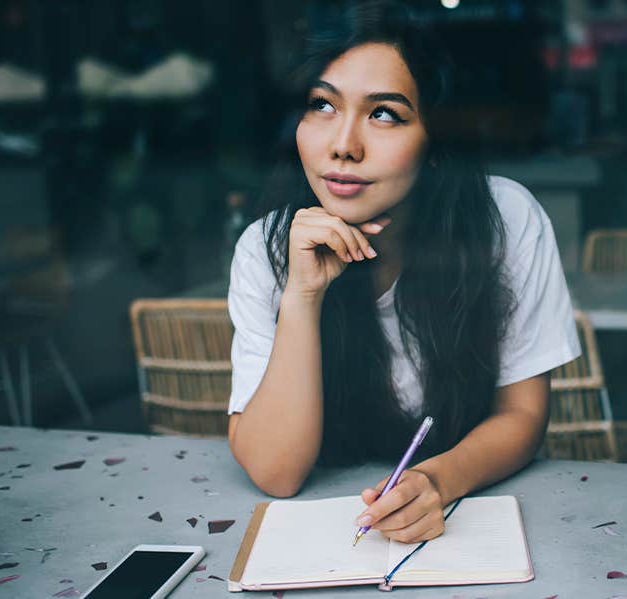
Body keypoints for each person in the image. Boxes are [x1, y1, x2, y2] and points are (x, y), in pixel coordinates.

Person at [225, 1, 580, 544]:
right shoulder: (267, 248)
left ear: (435, 145)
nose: (343, 145)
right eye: (322, 105)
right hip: (320, 537)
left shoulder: (506, 219)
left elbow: (523, 415)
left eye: (383, 113)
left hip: (468, 524)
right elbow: (277, 472)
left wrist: (437, 479)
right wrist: (303, 295)